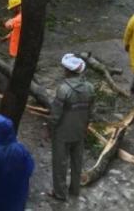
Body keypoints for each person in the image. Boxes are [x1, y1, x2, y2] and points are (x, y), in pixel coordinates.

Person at [49, 54, 95, 201]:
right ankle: (75, 189)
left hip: (62, 133)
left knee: (60, 163)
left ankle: (60, 193)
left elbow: (56, 115)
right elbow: (91, 111)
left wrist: (50, 129)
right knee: (77, 161)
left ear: (67, 71)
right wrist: (86, 126)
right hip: (80, 130)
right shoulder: (90, 88)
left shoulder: (63, 90)